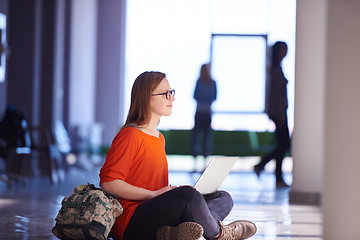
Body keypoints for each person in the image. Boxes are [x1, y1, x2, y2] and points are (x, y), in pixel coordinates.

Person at [99, 71, 257, 240]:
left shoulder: (159, 138)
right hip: (132, 221)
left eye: (171, 93)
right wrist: (153, 195)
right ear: (147, 97)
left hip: (156, 213)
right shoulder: (130, 135)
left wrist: (165, 193)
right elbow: (109, 184)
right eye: (165, 94)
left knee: (223, 197)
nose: (172, 98)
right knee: (188, 196)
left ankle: (170, 233)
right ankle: (221, 234)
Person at [254, 41, 291, 188]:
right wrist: (278, 113)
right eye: (283, 49)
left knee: (283, 145)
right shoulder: (275, 70)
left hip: (281, 112)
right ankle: (273, 174)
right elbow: (274, 95)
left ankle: (265, 168)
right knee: (284, 144)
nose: (285, 52)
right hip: (280, 113)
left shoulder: (276, 68)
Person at [191, 64, 217, 163]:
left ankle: (199, 160)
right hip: (205, 112)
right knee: (203, 138)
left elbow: (195, 96)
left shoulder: (203, 82)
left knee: (199, 138)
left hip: (201, 112)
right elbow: (213, 97)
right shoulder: (212, 83)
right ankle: (202, 160)